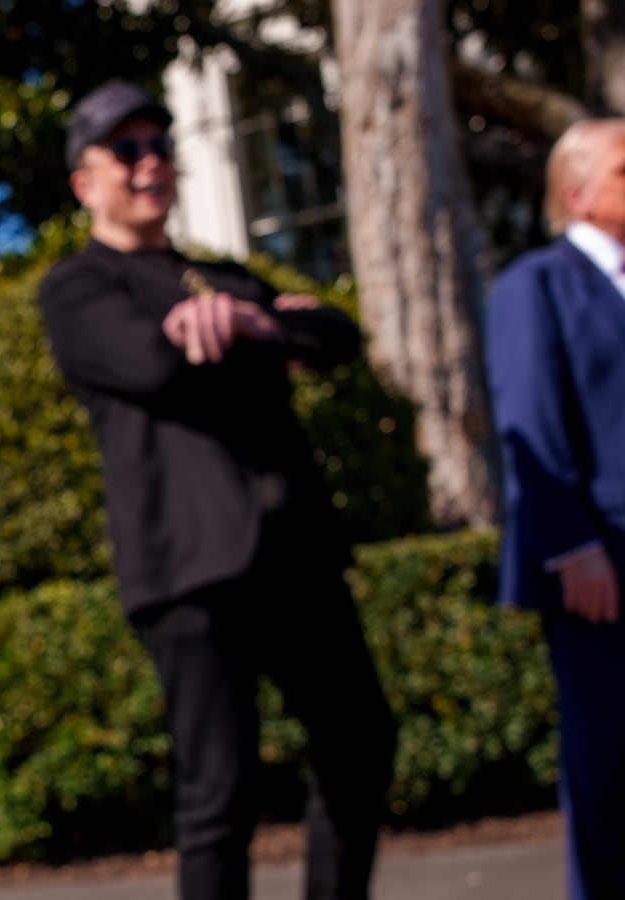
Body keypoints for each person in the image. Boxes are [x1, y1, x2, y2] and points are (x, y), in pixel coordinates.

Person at [36, 80, 396, 900]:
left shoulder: (221, 273)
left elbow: (335, 334)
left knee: (360, 744)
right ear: (85, 182)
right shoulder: (79, 289)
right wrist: (265, 325)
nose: (149, 163)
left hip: (296, 551)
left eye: (158, 146)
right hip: (191, 569)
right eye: (123, 151)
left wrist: (247, 321)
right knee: (220, 793)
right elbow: (154, 365)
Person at [484, 117, 625, 900]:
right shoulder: (534, 284)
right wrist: (571, 545)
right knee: (608, 767)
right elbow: (529, 421)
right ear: (575, 194)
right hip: (602, 560)